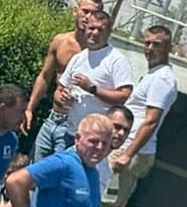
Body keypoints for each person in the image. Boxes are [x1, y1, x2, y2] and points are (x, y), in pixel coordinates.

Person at [93, 24, 178, 207]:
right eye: (148, 43)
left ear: (168, 48)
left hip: (132, 152)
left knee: (107, 206)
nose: (150, 48)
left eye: (157, 44)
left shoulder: (163, 79)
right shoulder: (153, 75)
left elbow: (151, 120)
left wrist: (127, 153)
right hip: (128, 149)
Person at [27, 0, 104, 153]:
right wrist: (29, 108)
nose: (88, 17)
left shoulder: (101, 54)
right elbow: (44, 76)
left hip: (76, 125)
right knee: (36, 169)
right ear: (75, 11)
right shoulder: (60, 41)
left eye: (94, 13)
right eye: (85, 11)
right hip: (53, 118)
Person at [53, 9, 133, 137]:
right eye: (91, 28)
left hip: (93, 137)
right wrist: (63, 99)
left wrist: (92, 89)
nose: (94, 33)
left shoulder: (117, 60)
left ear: (109, 33)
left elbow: (124, 96)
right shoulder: (78, 58)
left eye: (100, 30)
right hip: (68, 130)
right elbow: (59, 89)